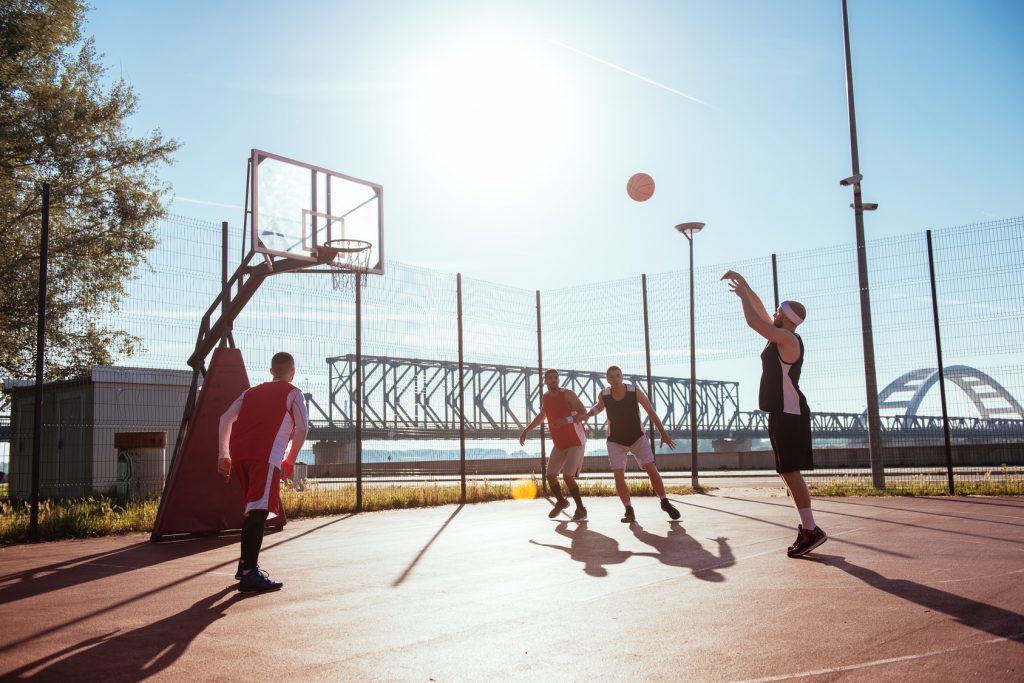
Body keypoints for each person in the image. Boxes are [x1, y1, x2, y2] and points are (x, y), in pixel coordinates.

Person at [721, 270, 827, 558]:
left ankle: (811, 530)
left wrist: (742, 297)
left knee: (791, 472)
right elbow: (759, 309)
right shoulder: (780, 335)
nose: (774, 313)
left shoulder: (788, 340)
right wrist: (744, 283)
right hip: (781, 413)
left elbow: (754, 320)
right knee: (787, 472)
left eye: (779, 311)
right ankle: (808, 527)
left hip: (790, 413)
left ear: (788, 318)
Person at [218, 352, 309, 591]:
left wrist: (223, 454)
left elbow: (225, 418)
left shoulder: (250, 392)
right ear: (293, 372)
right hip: (265, 455)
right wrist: (290, 458)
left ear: (271, 371)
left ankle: (244, 564)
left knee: (252, 510)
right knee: (258, 512)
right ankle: (250, 574)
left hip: (240, 454)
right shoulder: (293, 392)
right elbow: (302, 428)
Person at [580, 366, 680, 523]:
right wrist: (588, 415)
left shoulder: (634, 391)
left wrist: (663, 433)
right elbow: (599, 406)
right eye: (611, 377)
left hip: (637, 437)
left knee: (651, 469)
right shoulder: (604, 394)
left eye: (617, 376)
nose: (615, 379)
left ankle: (664, 502)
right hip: (615, 440)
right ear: (607, 379)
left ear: (622, 376)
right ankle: (629, 510)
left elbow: (650, 412)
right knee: (618, 474)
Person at [519, 369, 589, 522]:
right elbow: (542, 416)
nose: (553, 380)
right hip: (560, 443)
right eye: (549, 378)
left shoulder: (567, 394)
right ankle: (562, 502)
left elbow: (583, 412)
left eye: (555, 378)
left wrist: (565, 420)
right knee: (550, 475)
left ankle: (581, 509)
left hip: (575, 441)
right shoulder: (545, 398)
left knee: (567, 476)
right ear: (545, 381)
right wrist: (526, 429)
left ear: (559, 380)